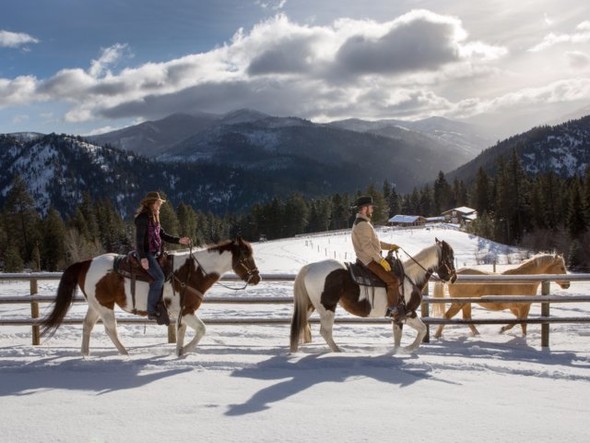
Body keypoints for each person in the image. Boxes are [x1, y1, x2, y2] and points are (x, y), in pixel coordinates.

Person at [134, 191, 191, 321]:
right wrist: (143, 258)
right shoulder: (142, 218)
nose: (160, 204)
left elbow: (162, 235)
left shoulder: (154, 216)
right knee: (159, 278)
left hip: (156, 253)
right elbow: (139, 241)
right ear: (151, 203)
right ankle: (151, 310)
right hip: (146, 253)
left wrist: (179, 240)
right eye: (158, 202)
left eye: (160, 202)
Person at [350, 195, 405, 320]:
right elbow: (367, 248)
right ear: (364, 208)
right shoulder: (363, 225)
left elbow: (375, 243)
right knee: (392, 280)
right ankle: (393, 309)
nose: (372, 210)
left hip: (368, 258)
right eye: (371, 207)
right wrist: (381, 260)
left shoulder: (363, 222)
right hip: (368, 261)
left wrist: (390, 246)